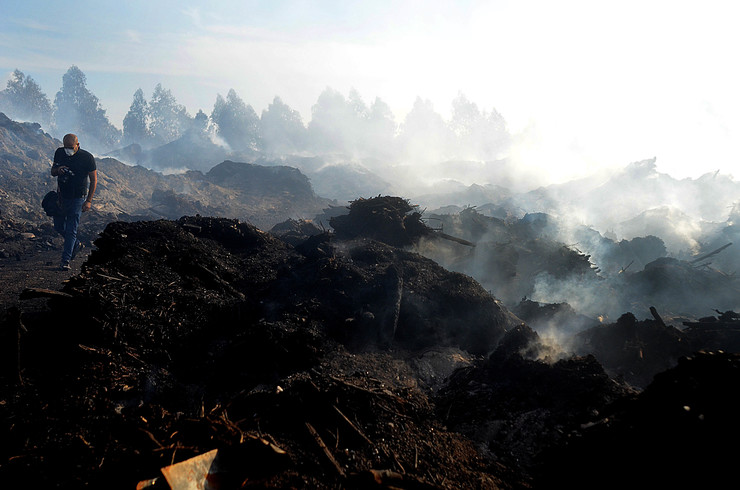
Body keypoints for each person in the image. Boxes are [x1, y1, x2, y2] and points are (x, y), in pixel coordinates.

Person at [51, 133, 97, 270]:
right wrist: (58, 170)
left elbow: (93, 180)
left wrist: (88, 200)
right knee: (59, 226)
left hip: (78, 197)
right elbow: (52, 172)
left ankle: (65, 261)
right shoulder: (59, 153)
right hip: (62, 196)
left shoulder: (87, 158)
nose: (68, 150)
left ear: (78, 145)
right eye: (65, 147)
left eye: (70, 147)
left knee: (71, 229)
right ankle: (76, 245)